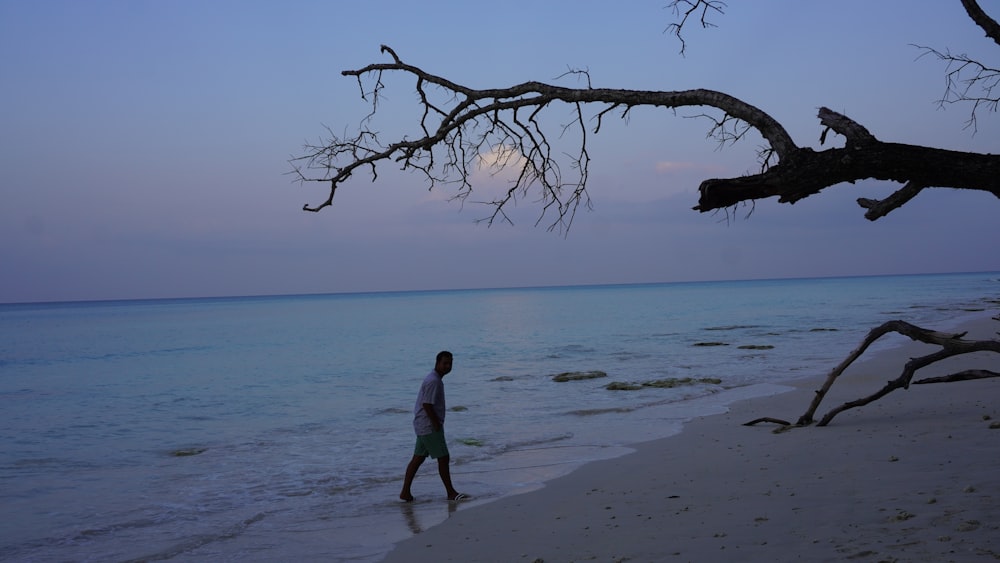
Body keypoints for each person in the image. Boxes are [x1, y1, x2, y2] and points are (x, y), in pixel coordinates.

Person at [399, 350, 467, 502]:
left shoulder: (435, 379)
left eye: (450, 363)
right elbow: (427, 404)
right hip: (429, 425)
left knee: (418, 458)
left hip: (422, 425)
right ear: (437, 363)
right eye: (444, 363)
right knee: (443, 457)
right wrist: (436, 423)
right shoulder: (433, 381)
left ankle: (405, 492)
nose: (447, 366)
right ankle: (451, 493)